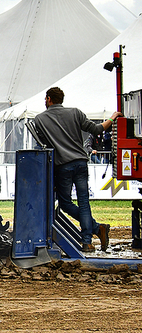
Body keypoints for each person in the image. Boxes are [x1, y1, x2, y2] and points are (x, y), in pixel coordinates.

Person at [34, 87, 120, 253]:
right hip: (81, 163)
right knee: (84, 202)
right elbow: (96, 130)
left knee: (66, 203)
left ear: (49, 99)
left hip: (62, 166)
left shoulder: (39, 119)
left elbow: (42, 145)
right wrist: (112, 117)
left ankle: (96, 230)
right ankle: (88, 240)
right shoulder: (75, 113)